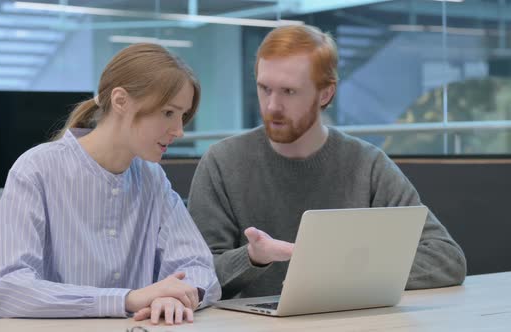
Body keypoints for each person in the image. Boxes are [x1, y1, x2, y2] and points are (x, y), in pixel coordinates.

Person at [187, 25, 466, 300]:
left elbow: (446, 259)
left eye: (289, 91)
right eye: (264, 88)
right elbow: (196, 274)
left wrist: (344, 275)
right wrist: (252, 257)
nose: (272, 106)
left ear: (326, 94)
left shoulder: (367, 165)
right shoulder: (222, 163)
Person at [0, 43, 221, 325]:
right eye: (168, 113)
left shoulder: (152, 178)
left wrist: (175, 296)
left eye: (183, 116)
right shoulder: (36, 169)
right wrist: (127, 298)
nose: (179, 130)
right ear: (121, 101)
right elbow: (6, 289)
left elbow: (198, 267)